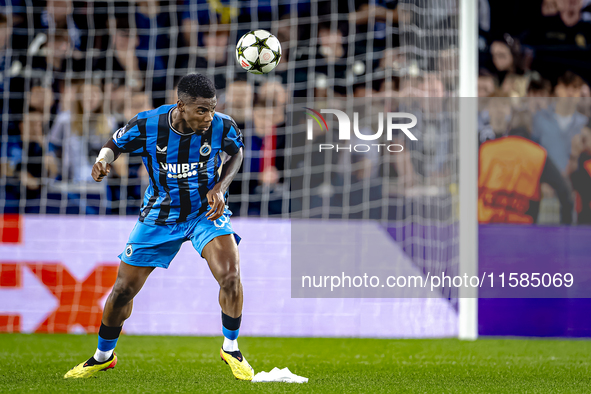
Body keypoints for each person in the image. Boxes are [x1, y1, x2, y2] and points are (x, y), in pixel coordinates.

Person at [63, 73, 252, 381]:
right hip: (159, 215)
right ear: (181, 106)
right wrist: (102, 160)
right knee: (123, 290)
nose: (209, 116)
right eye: (202, 110)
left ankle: (231, 348)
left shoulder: (222, 126)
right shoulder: (147, 124)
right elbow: (114, 144)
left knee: (230, 276)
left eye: (212, 108)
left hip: (205, 212)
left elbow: (236, 151)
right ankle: (102, 356)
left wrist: (220, 186)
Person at [479, 108, 573, 225]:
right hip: (522, 232)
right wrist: (565, 229)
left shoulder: (486, 150)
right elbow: (565, 191)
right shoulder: (538, 155)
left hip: (484, 227)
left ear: (509, 127)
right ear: (531, 129)